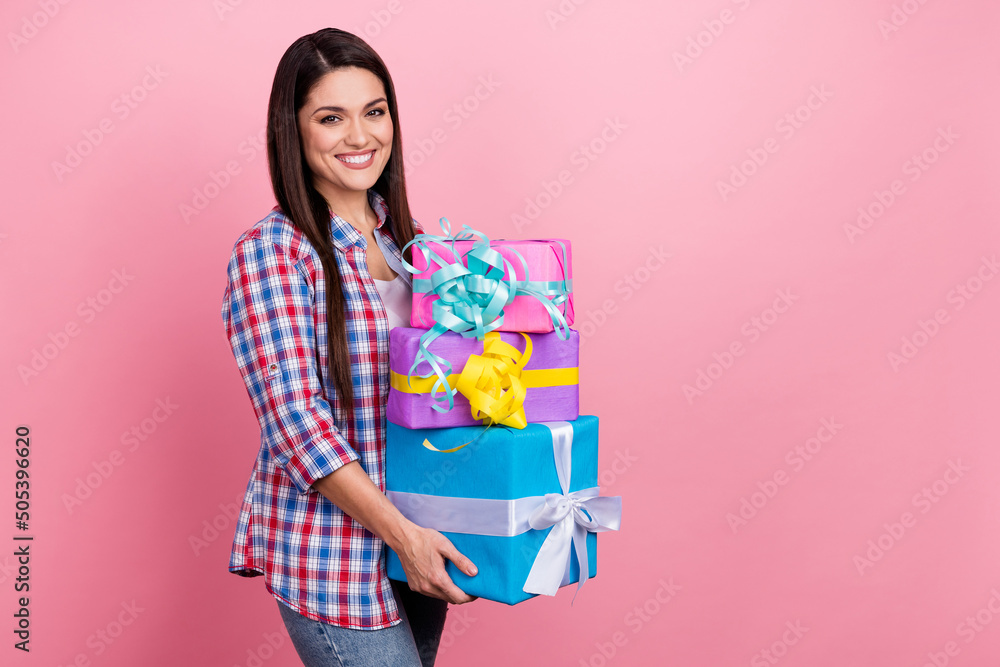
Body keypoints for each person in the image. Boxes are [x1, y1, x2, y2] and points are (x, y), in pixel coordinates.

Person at [219, 27, 477, 667]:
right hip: (335, 552)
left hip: (421, 532)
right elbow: (295, 423)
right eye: (331, 118)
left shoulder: (412, 245)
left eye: (375, 112)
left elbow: (444, 395)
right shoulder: (275, 251)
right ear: (295, 130)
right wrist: (403, 535)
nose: (361, 137)